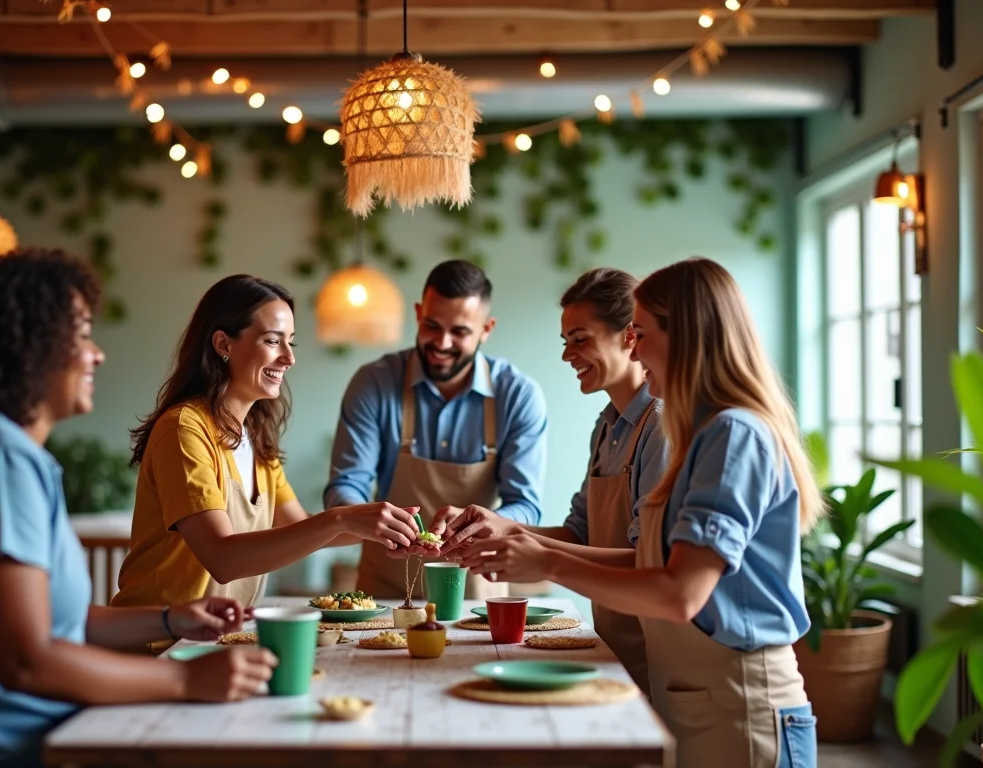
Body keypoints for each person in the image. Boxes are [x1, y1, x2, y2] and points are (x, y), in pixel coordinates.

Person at [0, 250, 278, 768]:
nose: (96, 354)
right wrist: (186, 678)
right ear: (22, 347)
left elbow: (62, 622)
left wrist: (171, 619)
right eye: (79, 335)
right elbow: (25, 660)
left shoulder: (6, 455)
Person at [454, 258, 822, 768]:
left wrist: (548, 563)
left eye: (642, 333)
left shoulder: (733, 435)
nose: (636, 346)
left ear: (687, 336)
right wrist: (524, 541)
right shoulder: (703, 434)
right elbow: (657, 568)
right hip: (697, 697)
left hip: (743, 706)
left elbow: (679, 594)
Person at [112, 275, 419, 628]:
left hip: (213, 641)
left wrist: (390, 527)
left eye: (290, 342)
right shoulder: (184, 429)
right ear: (223, 344)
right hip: (157, 644)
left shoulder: (255, 438)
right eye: (273, 341)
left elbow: (303, 530)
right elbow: (222, 557)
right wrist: (341, 518)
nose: (289, 358)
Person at [431, 267, 663, 694]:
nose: (566, 355)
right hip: (615, 650)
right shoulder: (607, 428)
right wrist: (502, 526)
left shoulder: (660, 427)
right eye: (565, 342)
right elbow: (580, 533)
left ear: (629, 336)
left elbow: (650, 561)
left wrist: (538, 556)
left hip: (659, 656)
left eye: (580, 340)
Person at [324, 259, 549, 599]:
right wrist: (366, 518)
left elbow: (525, 506)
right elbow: (345, 485)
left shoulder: (517, 395)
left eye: (459, 332)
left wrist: (482, 523)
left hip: (476, 591)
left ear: (486, 329)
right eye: (432, 325)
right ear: (418, 313)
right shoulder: (374, 383)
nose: (442, 343)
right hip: (384, 591)